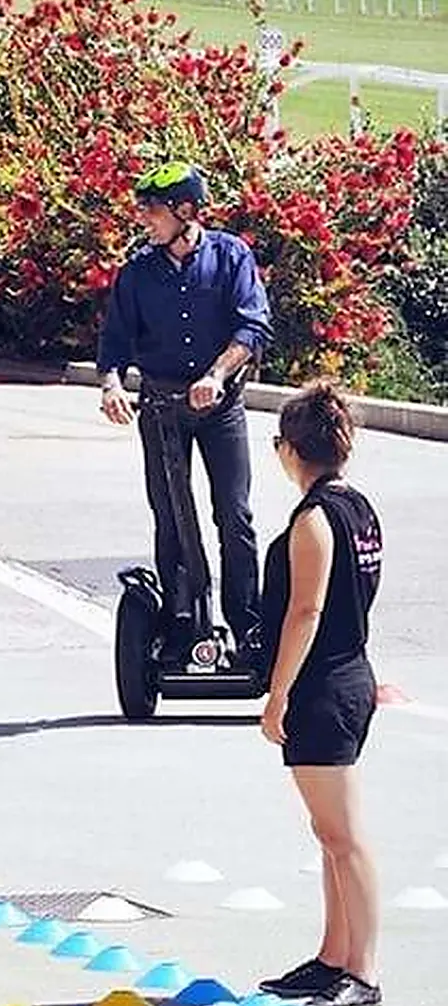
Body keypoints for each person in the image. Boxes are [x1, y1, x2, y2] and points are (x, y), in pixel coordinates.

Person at [97, 160, 274, 664]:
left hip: (220, 406)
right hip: (161, 408)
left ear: (186, 210)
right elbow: (114, 341)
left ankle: (247, 626)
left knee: (234, 515)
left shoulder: (231, 256)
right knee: (171, 515)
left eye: (153, 210)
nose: (145, 220)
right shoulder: (138, 272)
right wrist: (112, 386)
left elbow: (252, 326)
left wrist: (216, 375)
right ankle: (181, 625)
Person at [257, 382, 384, 1006]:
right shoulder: (358, 508)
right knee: (330, 832)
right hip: (351, 676)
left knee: (345, 838)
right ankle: (334, 956)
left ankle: (363, 972)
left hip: (323, 689)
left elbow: (304, 611)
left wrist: (277, 694)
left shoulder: (313, 520)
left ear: (291, 449)